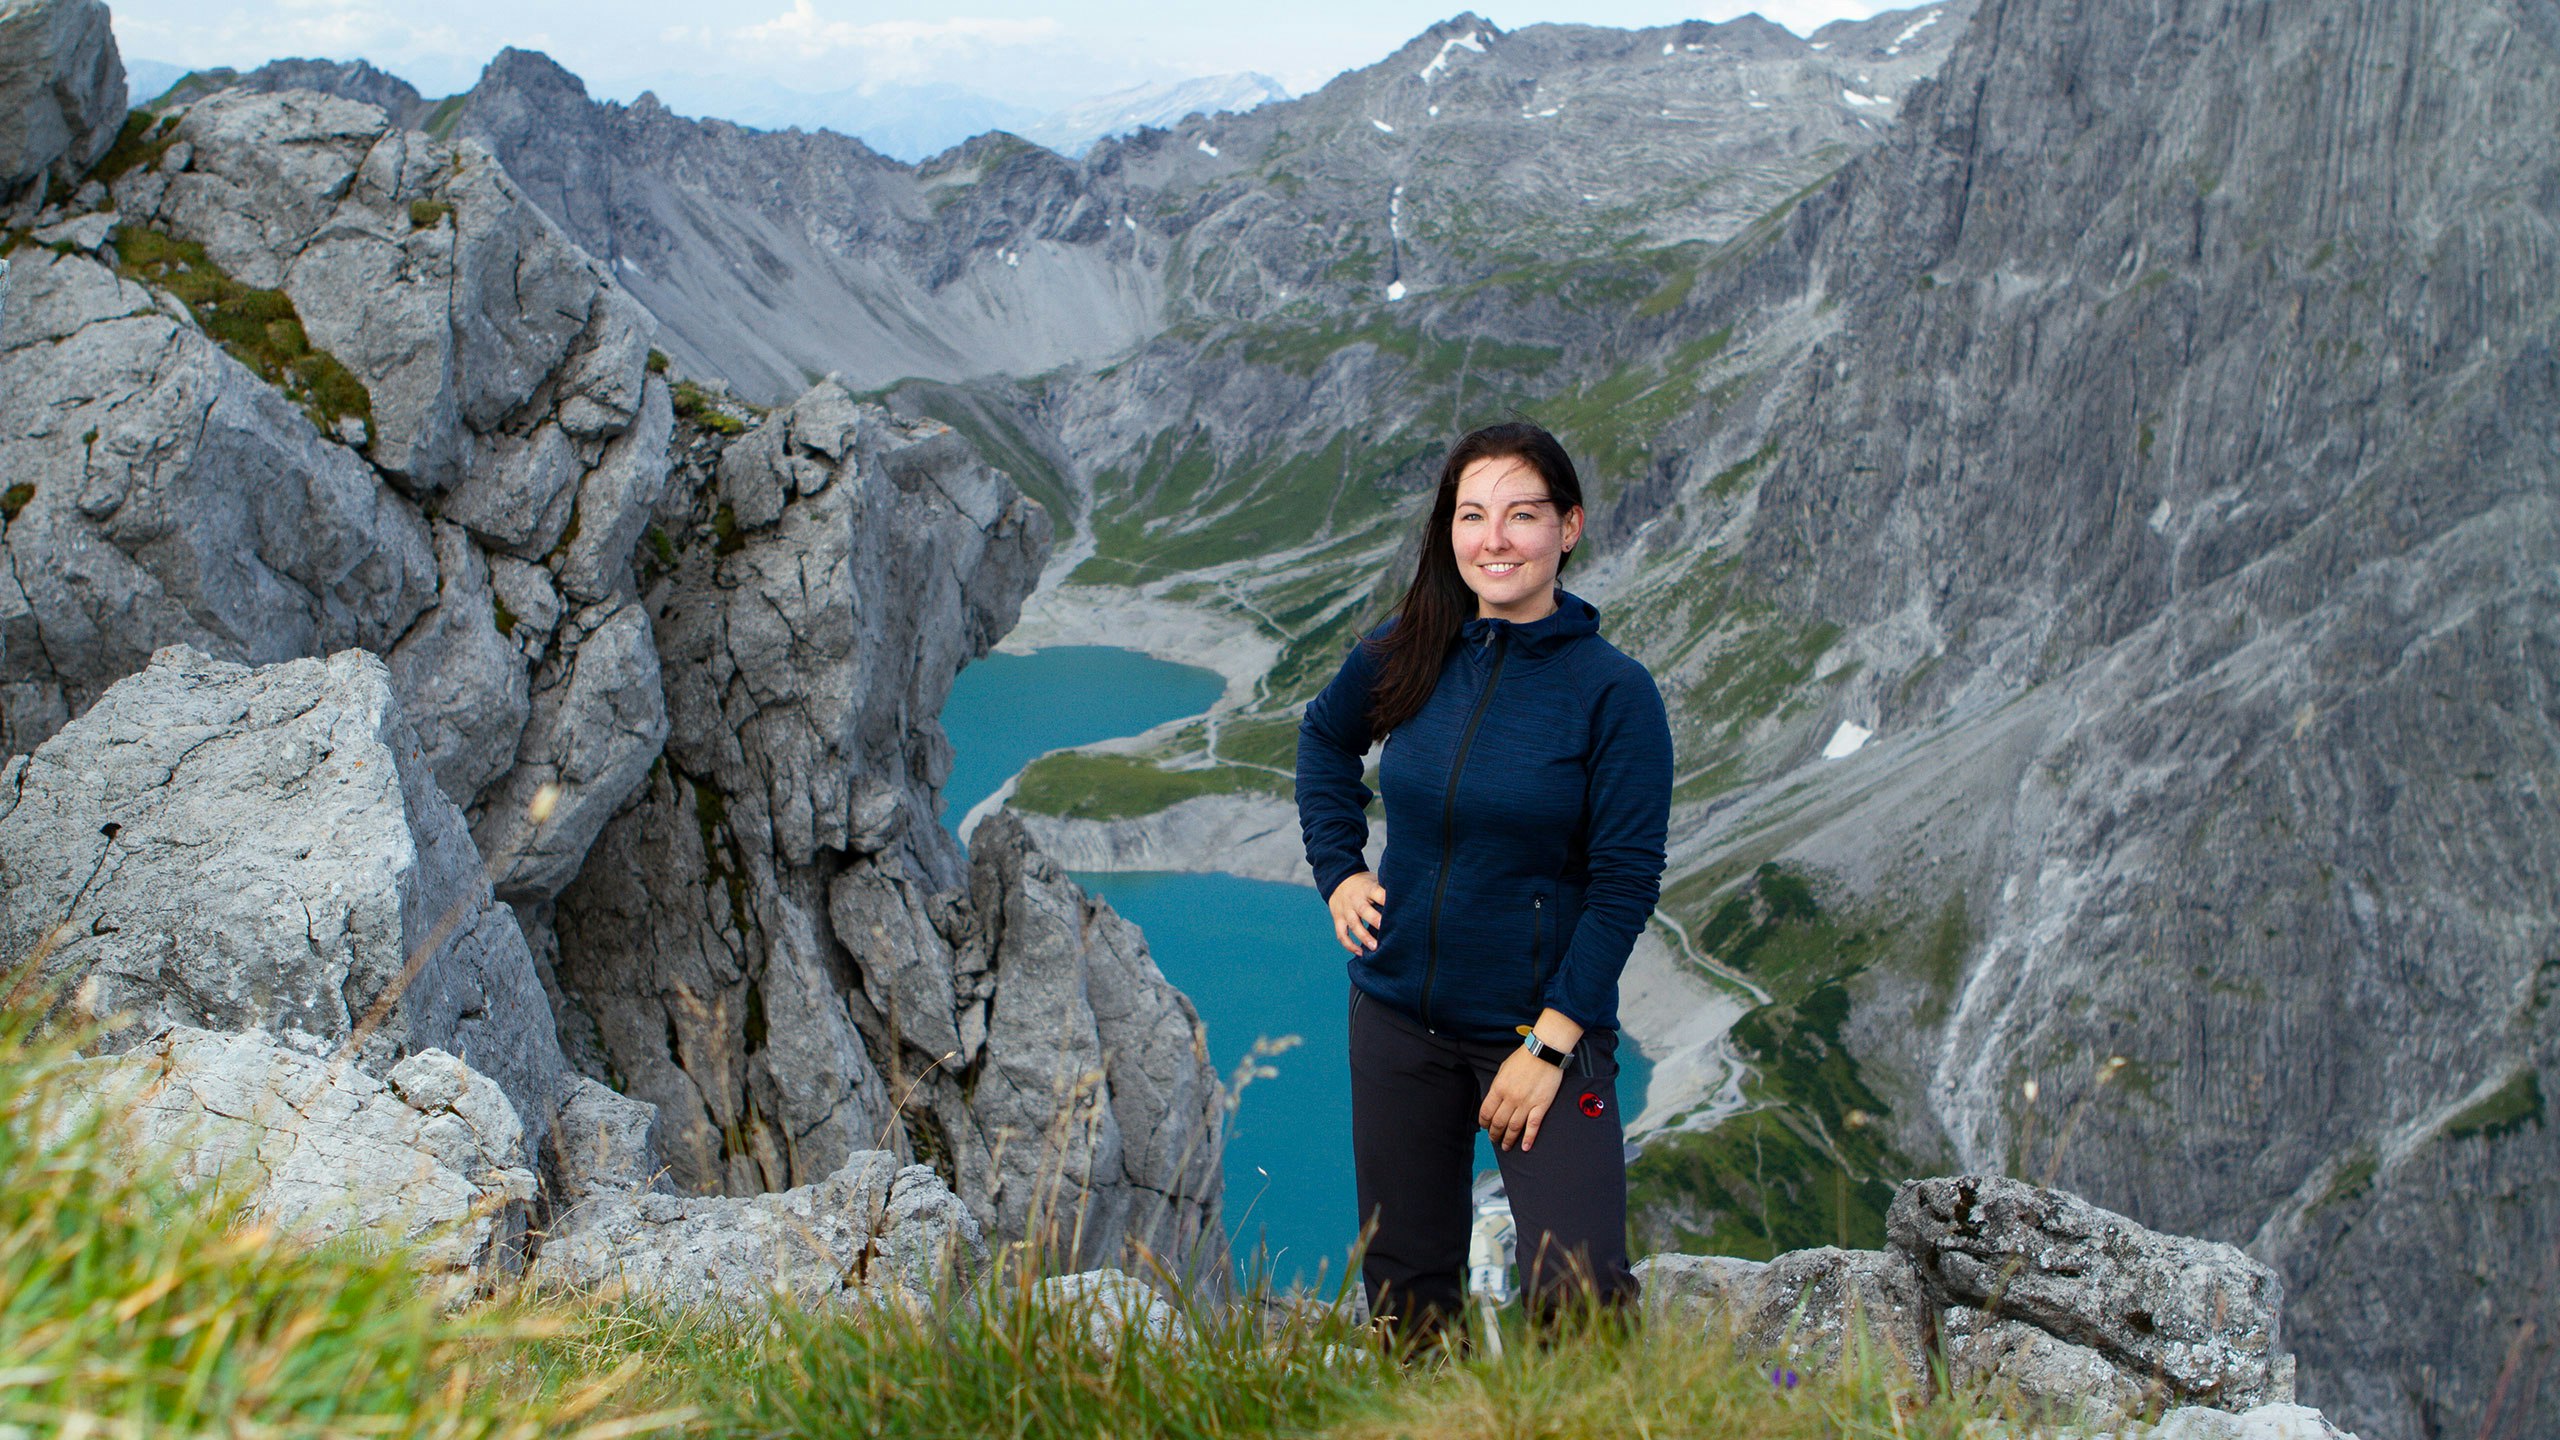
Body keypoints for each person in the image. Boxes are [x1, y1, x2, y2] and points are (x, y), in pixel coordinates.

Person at [1295, 421, 1673, 1349]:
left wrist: (1547, 1048)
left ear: (1568, 528)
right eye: (1472, 515)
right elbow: (1323, 739)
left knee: (1577, 1295)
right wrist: (1340, 870)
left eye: (1522, 515)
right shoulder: (1412, 649)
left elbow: (1626, 884)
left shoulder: (1613, 693)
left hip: (1538, 1036)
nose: (1493, 539)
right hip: (1396, 1024)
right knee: (1407, 1291)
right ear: (1448, 530)